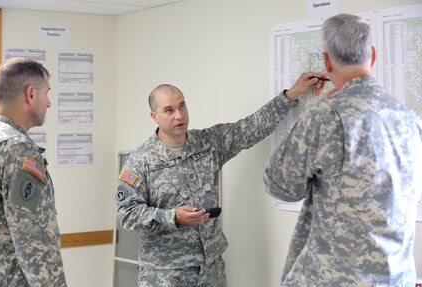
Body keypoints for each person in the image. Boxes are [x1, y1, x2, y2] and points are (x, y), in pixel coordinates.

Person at [115, 73, 326, 286]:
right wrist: (172, 217)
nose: (179, 115)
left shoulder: (208, 143)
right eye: (169, 110)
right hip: (165, 274)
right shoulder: (140, 160)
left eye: (182, 106)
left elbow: (251, 128)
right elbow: (126, 214)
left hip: (211, 269)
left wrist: (292, 94)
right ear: (154, 116)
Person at [264, 13, 422, 286]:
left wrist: (313, 117)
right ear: (372, 56)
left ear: (326, 61)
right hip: (397, 278)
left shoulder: (325, 115)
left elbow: (280, 185)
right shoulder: (410, 118)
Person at [0, 57, 67, 286]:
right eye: (47, 93)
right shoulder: (17, 149)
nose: (49, 103)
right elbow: (34, 240)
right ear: (31, 94)